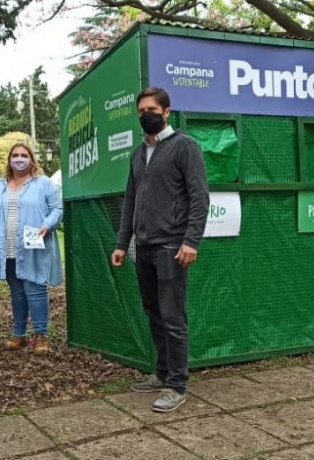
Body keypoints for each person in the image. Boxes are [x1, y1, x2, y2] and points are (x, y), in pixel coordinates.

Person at [110, 87, 209, 413]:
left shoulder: (185, 146)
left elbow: (199, 198)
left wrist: (191, 241)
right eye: (140, 110)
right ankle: (162, 373)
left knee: (172, 317)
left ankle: (177, 385)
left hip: (172, 247)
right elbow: (131, 201)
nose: (145, 115)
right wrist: (123, 244)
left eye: (151, 109)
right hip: (144, 247)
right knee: (154, 314)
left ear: (167, 112)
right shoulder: (138, 154)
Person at [0, 143, 62, 354]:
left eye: (24, 155)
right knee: (17, 292)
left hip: (32, 244)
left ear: (32, 160)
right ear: (9, 160)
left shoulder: (43, 183)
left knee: (35, 289)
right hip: (6, 247)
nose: (19, 158)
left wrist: (47, 224)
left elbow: (57, 208)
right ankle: (19, 335)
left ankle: (41, 335)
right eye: (15, 155)